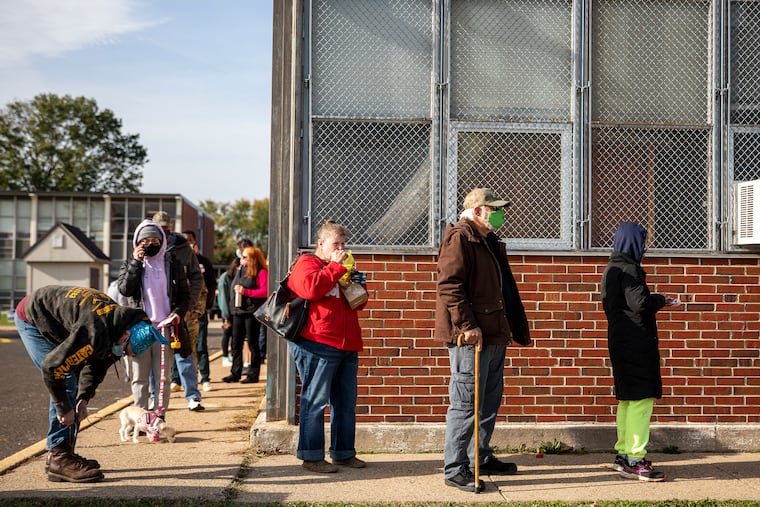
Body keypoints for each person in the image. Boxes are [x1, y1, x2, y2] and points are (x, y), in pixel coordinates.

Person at [15, 285, 169, 483]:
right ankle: (59, 458)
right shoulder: (96, 331)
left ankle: (65, 453)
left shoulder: (119, 327)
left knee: (73, 377)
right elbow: (52, 368)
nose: (122, 355)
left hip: (65, 317)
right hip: (33, 317)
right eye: (125, 352)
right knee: (65, 375)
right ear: (125, 336)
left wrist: (83, 398)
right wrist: (63, 408)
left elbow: (97, 365)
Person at [435, 187, 531, 493]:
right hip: (470, 337)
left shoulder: (487, 240)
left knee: (489, 400)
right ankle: (455, 467)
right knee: (465, 403)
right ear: (477, 211)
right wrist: (467, 324)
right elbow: (450, 285)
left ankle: (480, 456)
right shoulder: (460, 238)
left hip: (493, 333)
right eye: (495, 209)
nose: (500, 214)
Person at [287, 220, 368, 474]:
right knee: (315, 401)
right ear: (320, 244)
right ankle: (311, 456)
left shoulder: (343, 267)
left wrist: (355, 283)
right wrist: (335, 267)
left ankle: (343, 453)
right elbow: (310, 289)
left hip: (347, 343)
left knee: (345, 402)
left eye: (344, 244)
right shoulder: (306, 264)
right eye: (336, 244)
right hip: (317, 343)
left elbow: (360, 303)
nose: (341, 248)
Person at [602, 221, 680, 482]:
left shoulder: (612, 267)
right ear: (634, 243)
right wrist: (661, 299)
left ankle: (624, 454)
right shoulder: (630, 269)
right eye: (643, 242)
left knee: (627, 399)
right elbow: (641, 303)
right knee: (641, 400)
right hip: (635, 342)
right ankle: (635, 460)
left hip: (621, 340)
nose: (645, 247)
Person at [118, 220, 193, 415]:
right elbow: (125, 290)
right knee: (139, 377)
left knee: (163, 377)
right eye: (145, 240)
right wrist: (136, 263)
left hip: (165, 328)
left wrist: (177, 313)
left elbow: (185, 295)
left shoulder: (173, 263)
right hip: (139, 328)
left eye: (155, 239)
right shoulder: (130, 263)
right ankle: (142, 417)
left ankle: (160, 415)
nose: (151, 244)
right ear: (137, 242)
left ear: (162, 240)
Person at [152, 211, 205, 411]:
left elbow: (196, 277)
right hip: (155, 312)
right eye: (160, 229)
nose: (164, 232)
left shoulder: (183, 248)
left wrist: (189, 305)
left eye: (167, 228)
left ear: (171, 226)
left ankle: (192, 396)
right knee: (154, 357)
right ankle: (153, 398)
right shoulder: (148, 247)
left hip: (177, 309)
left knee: (184, 353)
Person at [222, 245, 268, 384]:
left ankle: (253, 374)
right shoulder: (241, 270)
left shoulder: (261, 272)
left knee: (253, 343)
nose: (241, 260)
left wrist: (246, 292)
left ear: (252, 259)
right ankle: (235, 372)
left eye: (245, 257)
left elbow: (265, 291)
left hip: (251, 312)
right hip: (238, 311)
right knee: (236, 343)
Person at [183, 229, 217, 392]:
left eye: (190, 240)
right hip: (180, 314)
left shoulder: (202, 262)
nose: (188, 243)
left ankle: (204, 377)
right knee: (180, 347)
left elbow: (208, 287)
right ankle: (178, 379)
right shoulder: (176, 260)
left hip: (198, 312)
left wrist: (202, 308)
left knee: (201, 345)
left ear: (195, 241)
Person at [217, 258, 239, 367]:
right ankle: (224, 356)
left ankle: (230, 355)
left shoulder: (237, 277)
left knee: (234, 336)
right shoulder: (225, 278)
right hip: (228, 311)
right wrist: (226, 315)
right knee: (226, 334)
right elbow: (223, 298)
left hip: (235, 310)